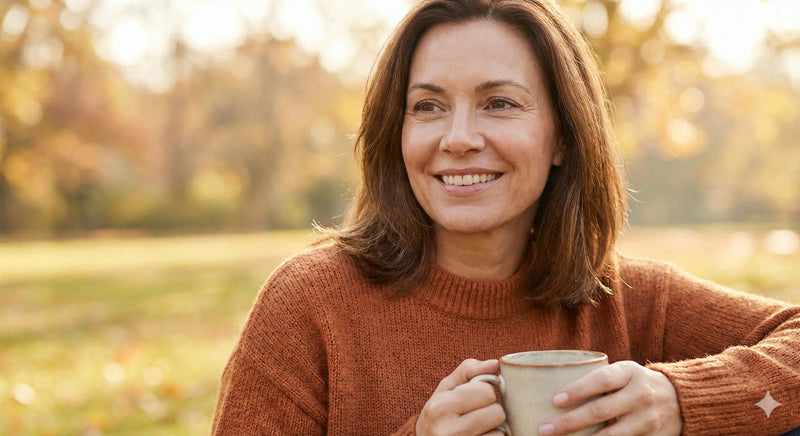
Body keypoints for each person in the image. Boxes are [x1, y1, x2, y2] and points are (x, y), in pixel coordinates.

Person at [212, 0, 800, 434]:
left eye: (499, 103)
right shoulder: (310, 306)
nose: (459, 138)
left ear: (563, 137)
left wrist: (681, 400)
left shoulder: (628, 299)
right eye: (428, 107)